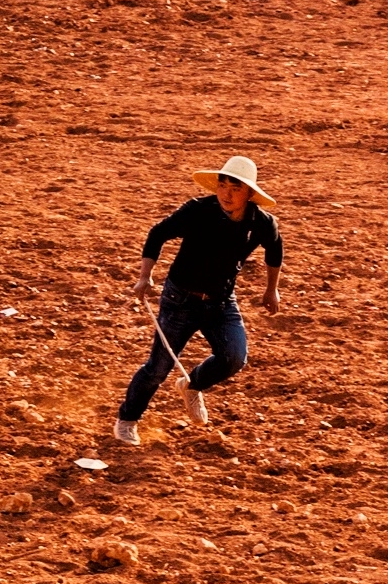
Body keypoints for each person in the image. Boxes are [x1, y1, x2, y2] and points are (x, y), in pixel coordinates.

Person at [114, 155, 282, 446]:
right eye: (222, 186)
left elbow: (275, 251)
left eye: (236, 188)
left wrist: (271, 290)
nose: (227, 194)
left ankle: (192, 385)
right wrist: (145, 276)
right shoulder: (197, 211)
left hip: (221, 301)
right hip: (180, 299)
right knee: (158, 368)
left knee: (233, 358)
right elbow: (158, 234)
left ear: (250, 194)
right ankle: (127, 420)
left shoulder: (263, 223)